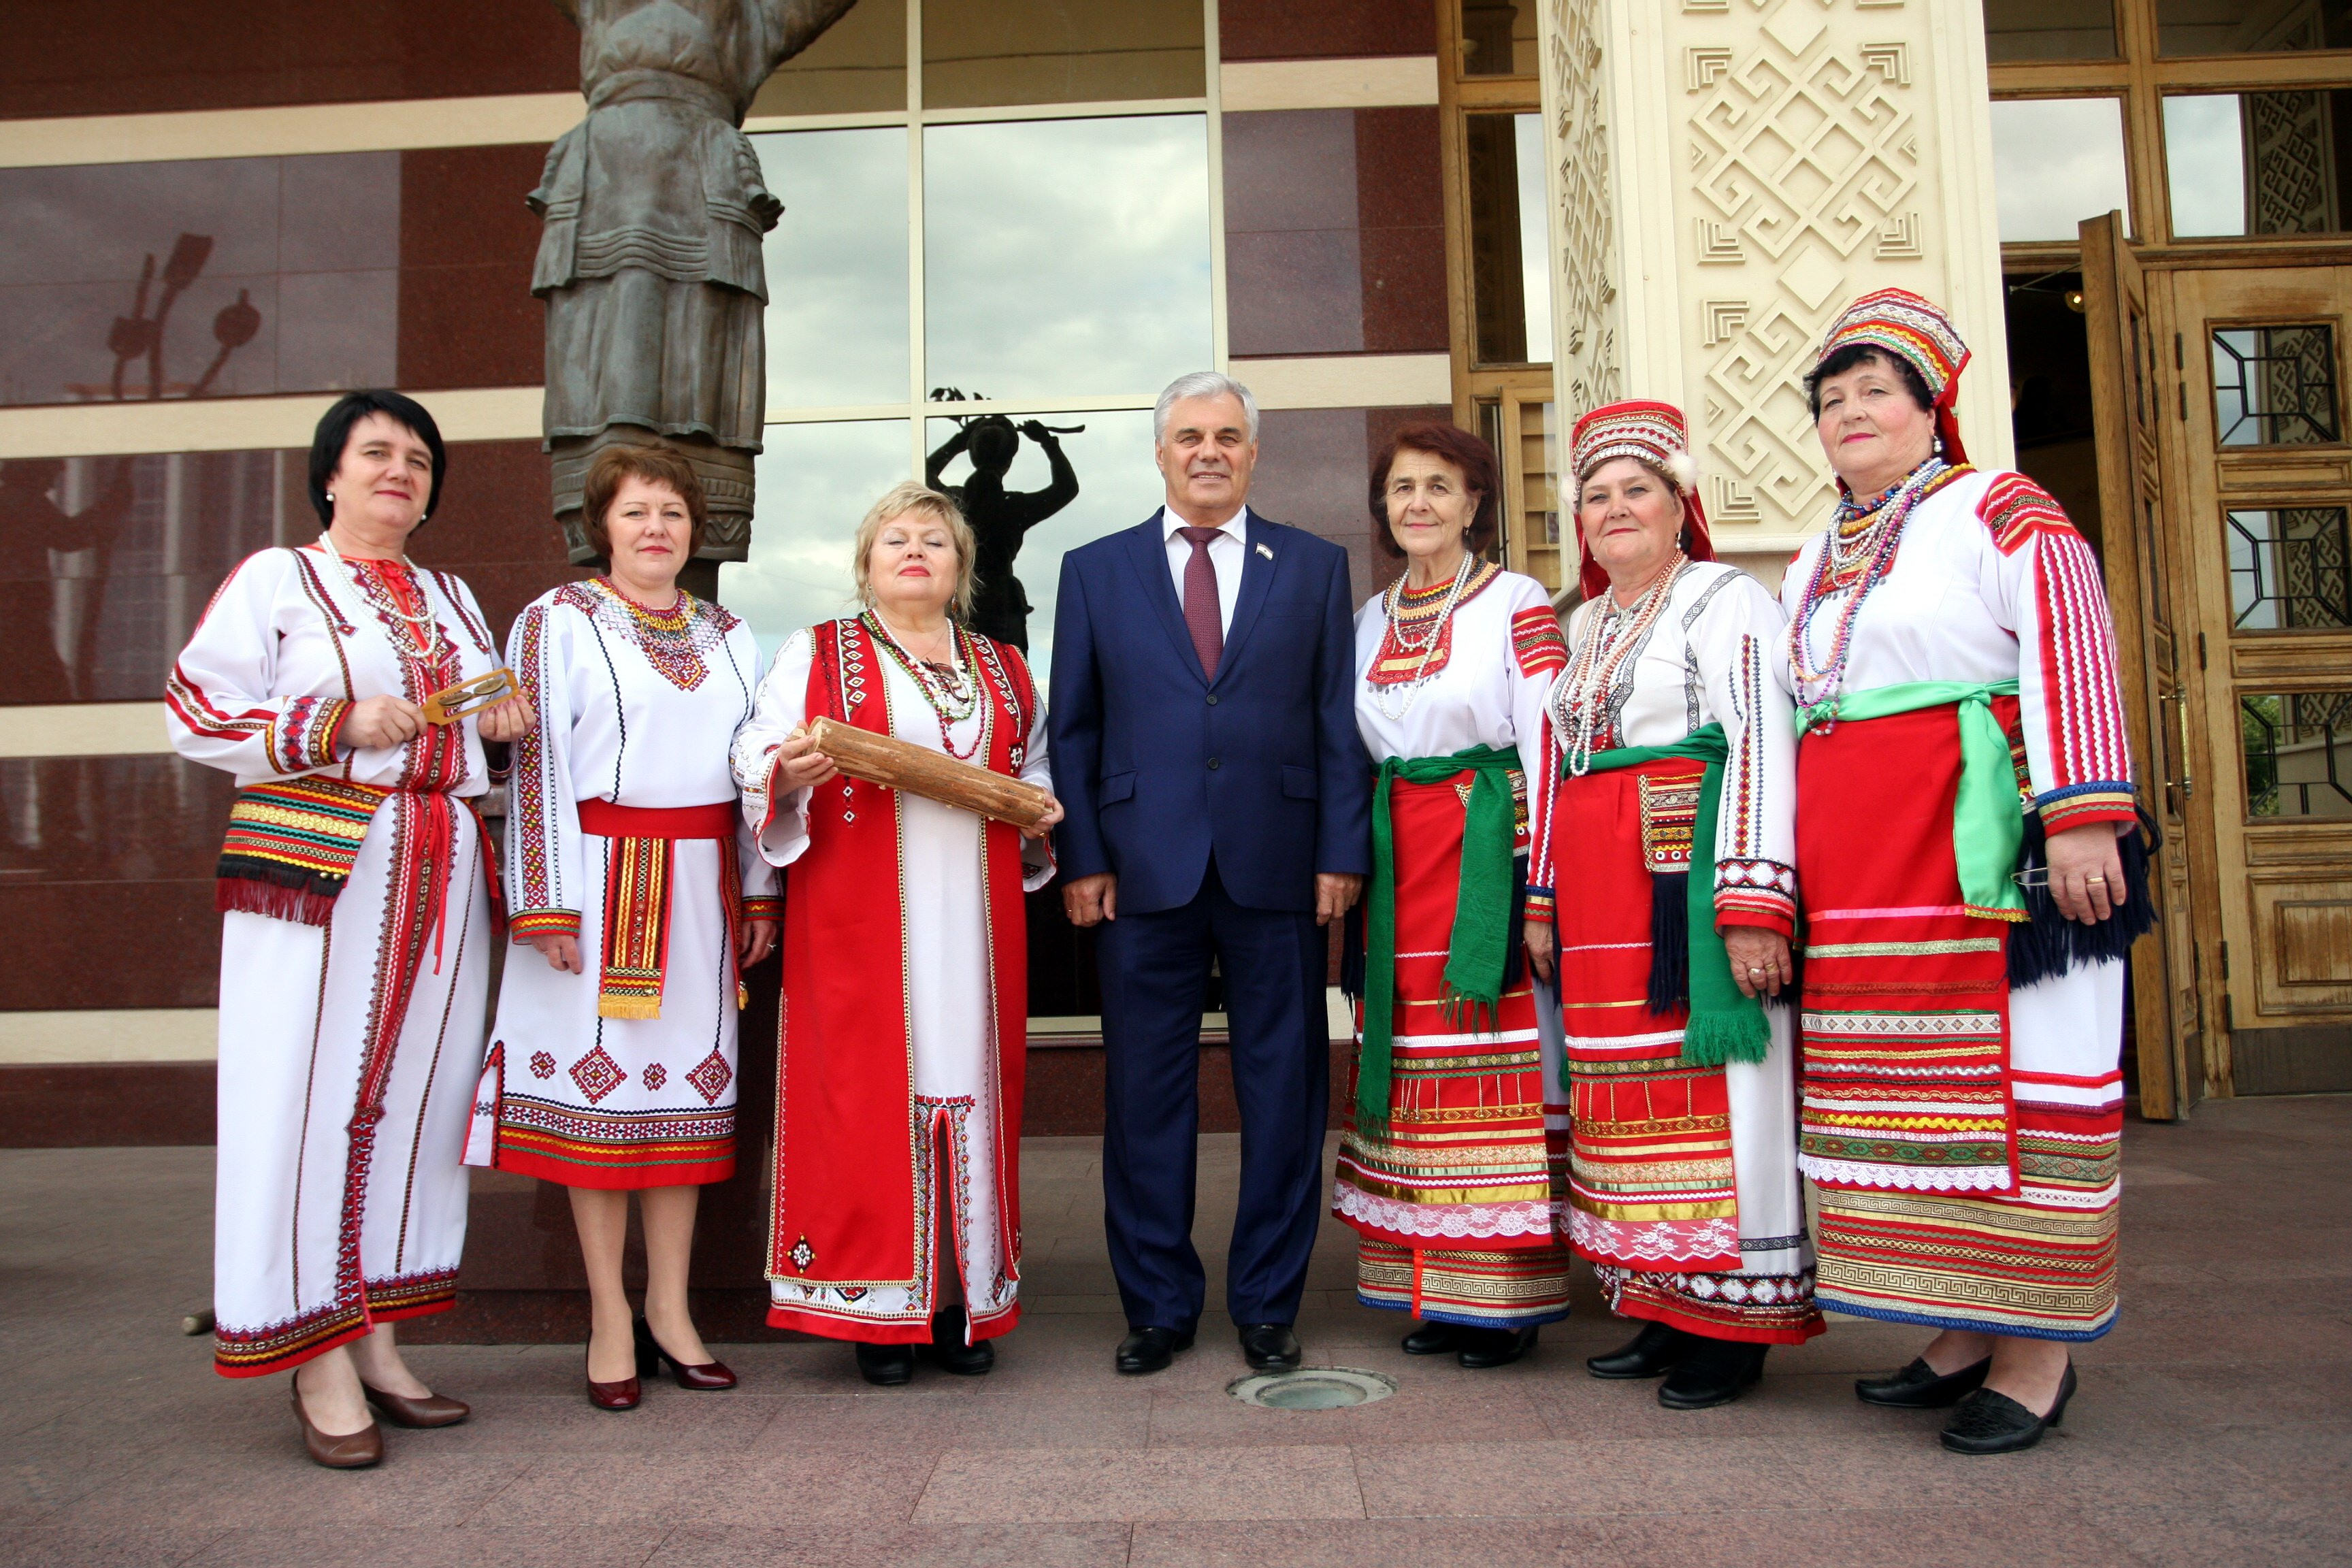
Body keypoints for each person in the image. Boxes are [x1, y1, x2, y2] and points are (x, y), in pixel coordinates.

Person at [1782, 290, 2148, 1454]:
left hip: (1989, 859)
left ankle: (2038, 1355)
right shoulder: (1813, 552)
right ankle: (1962, 1329)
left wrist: (2083, 816)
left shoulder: (1998, 506)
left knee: (2026, 1083)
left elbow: (2070, 636)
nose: (1851, 413)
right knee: (1909, 1100)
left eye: (1876, 392)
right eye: (1832, 399)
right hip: (1868, 869)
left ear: (1932, 409)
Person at [165, 391, 535, 1467]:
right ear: (330, 472)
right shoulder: (279, 578)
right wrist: (332, 721)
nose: (399, 471)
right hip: (324, 861)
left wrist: (499, 728)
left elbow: (478, 731)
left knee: (411, 1098)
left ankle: (375, 1335)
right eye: (376, 452)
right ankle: (308, 1351)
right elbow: (195, 710)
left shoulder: (451, 594)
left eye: (419, 459)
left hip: (440, 859)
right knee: (311, 1094)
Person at [1050, 371, 1372, 1377]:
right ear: (1159, 452)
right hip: (1141, 869)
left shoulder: (1315, 566)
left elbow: (1335, 720)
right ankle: (1157, 1304)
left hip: (1278, 863)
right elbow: (1076, 725)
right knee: (1147, 1095)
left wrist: (1340, 851)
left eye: (1228, 436)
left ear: (1253, 452)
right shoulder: (1094, 569)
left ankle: (1268, 1302)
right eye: (1189, 435)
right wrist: (1085, 857)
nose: (1208, 452)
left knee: (1286, 1089)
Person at [733, 483, 1062, 1385]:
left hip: (978, 922)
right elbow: (753, 747)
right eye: (895, 539)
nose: (915, 551)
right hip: (861, 917)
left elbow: (1029, 773)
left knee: (972, 1089)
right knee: (869, 1092)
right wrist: (781, 768)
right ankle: (879, 1312)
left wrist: (1042, 815)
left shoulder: (1003, 667)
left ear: (961, 569)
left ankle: (963, 1304)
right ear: (867, 564)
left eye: (936, 541)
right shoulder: (819, 652)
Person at [481, 444, 779, 1410]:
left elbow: (753, 771)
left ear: (698, 531)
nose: (657, 529)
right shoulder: (556, 621)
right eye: (637, 512)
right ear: (600, 527)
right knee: (598, 1108)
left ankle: (673, 1311)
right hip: (596, 886)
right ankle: (610, 1314)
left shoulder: (734, 634)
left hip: (697, 891)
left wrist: (758, 888)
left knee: (682, 1104)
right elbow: (534, 769)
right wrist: (543, 901)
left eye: (674, 514)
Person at [1541, 400, 1824, 1409]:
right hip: (1607, 895)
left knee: (1717, 1087)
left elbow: (1757, 741)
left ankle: (1734, 1317)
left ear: (1680, 505)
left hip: (1688, 888)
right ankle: (1662, 1300)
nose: (1616, 511)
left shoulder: (1725, 599)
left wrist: (1752, 900)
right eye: (1598, 498)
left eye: (1638, 492)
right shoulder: (1585, 623)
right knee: (1630, 1094)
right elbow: (1561, 762)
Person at [1333, 423, 1573, 1369]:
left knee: (1492, 1054)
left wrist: (1541, 884)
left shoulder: (1514, 601)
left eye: (1439, 486)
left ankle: (1500, 1298)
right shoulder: (1368, 618)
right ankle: (1429, 1284)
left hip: (1486, 846)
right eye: (1401, 489)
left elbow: (1548, 744)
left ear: (1475, 504)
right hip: (1400, 856)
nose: (1419, 502)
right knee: (1408, 1063)